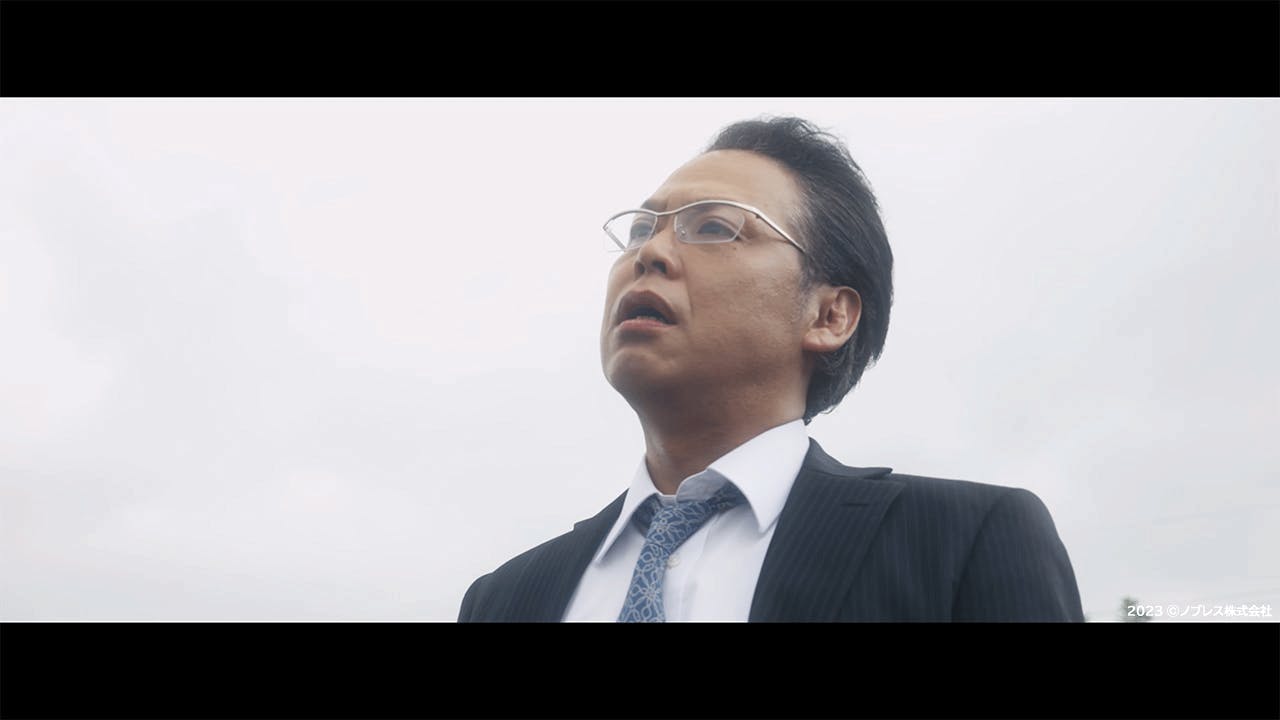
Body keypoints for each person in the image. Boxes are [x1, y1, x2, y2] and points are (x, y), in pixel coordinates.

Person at [457, 116, 1084, 622]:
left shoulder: (962, 542)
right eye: (641, 230)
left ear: (829, 315)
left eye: (713, 227)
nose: (650, 253)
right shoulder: (503, 599)